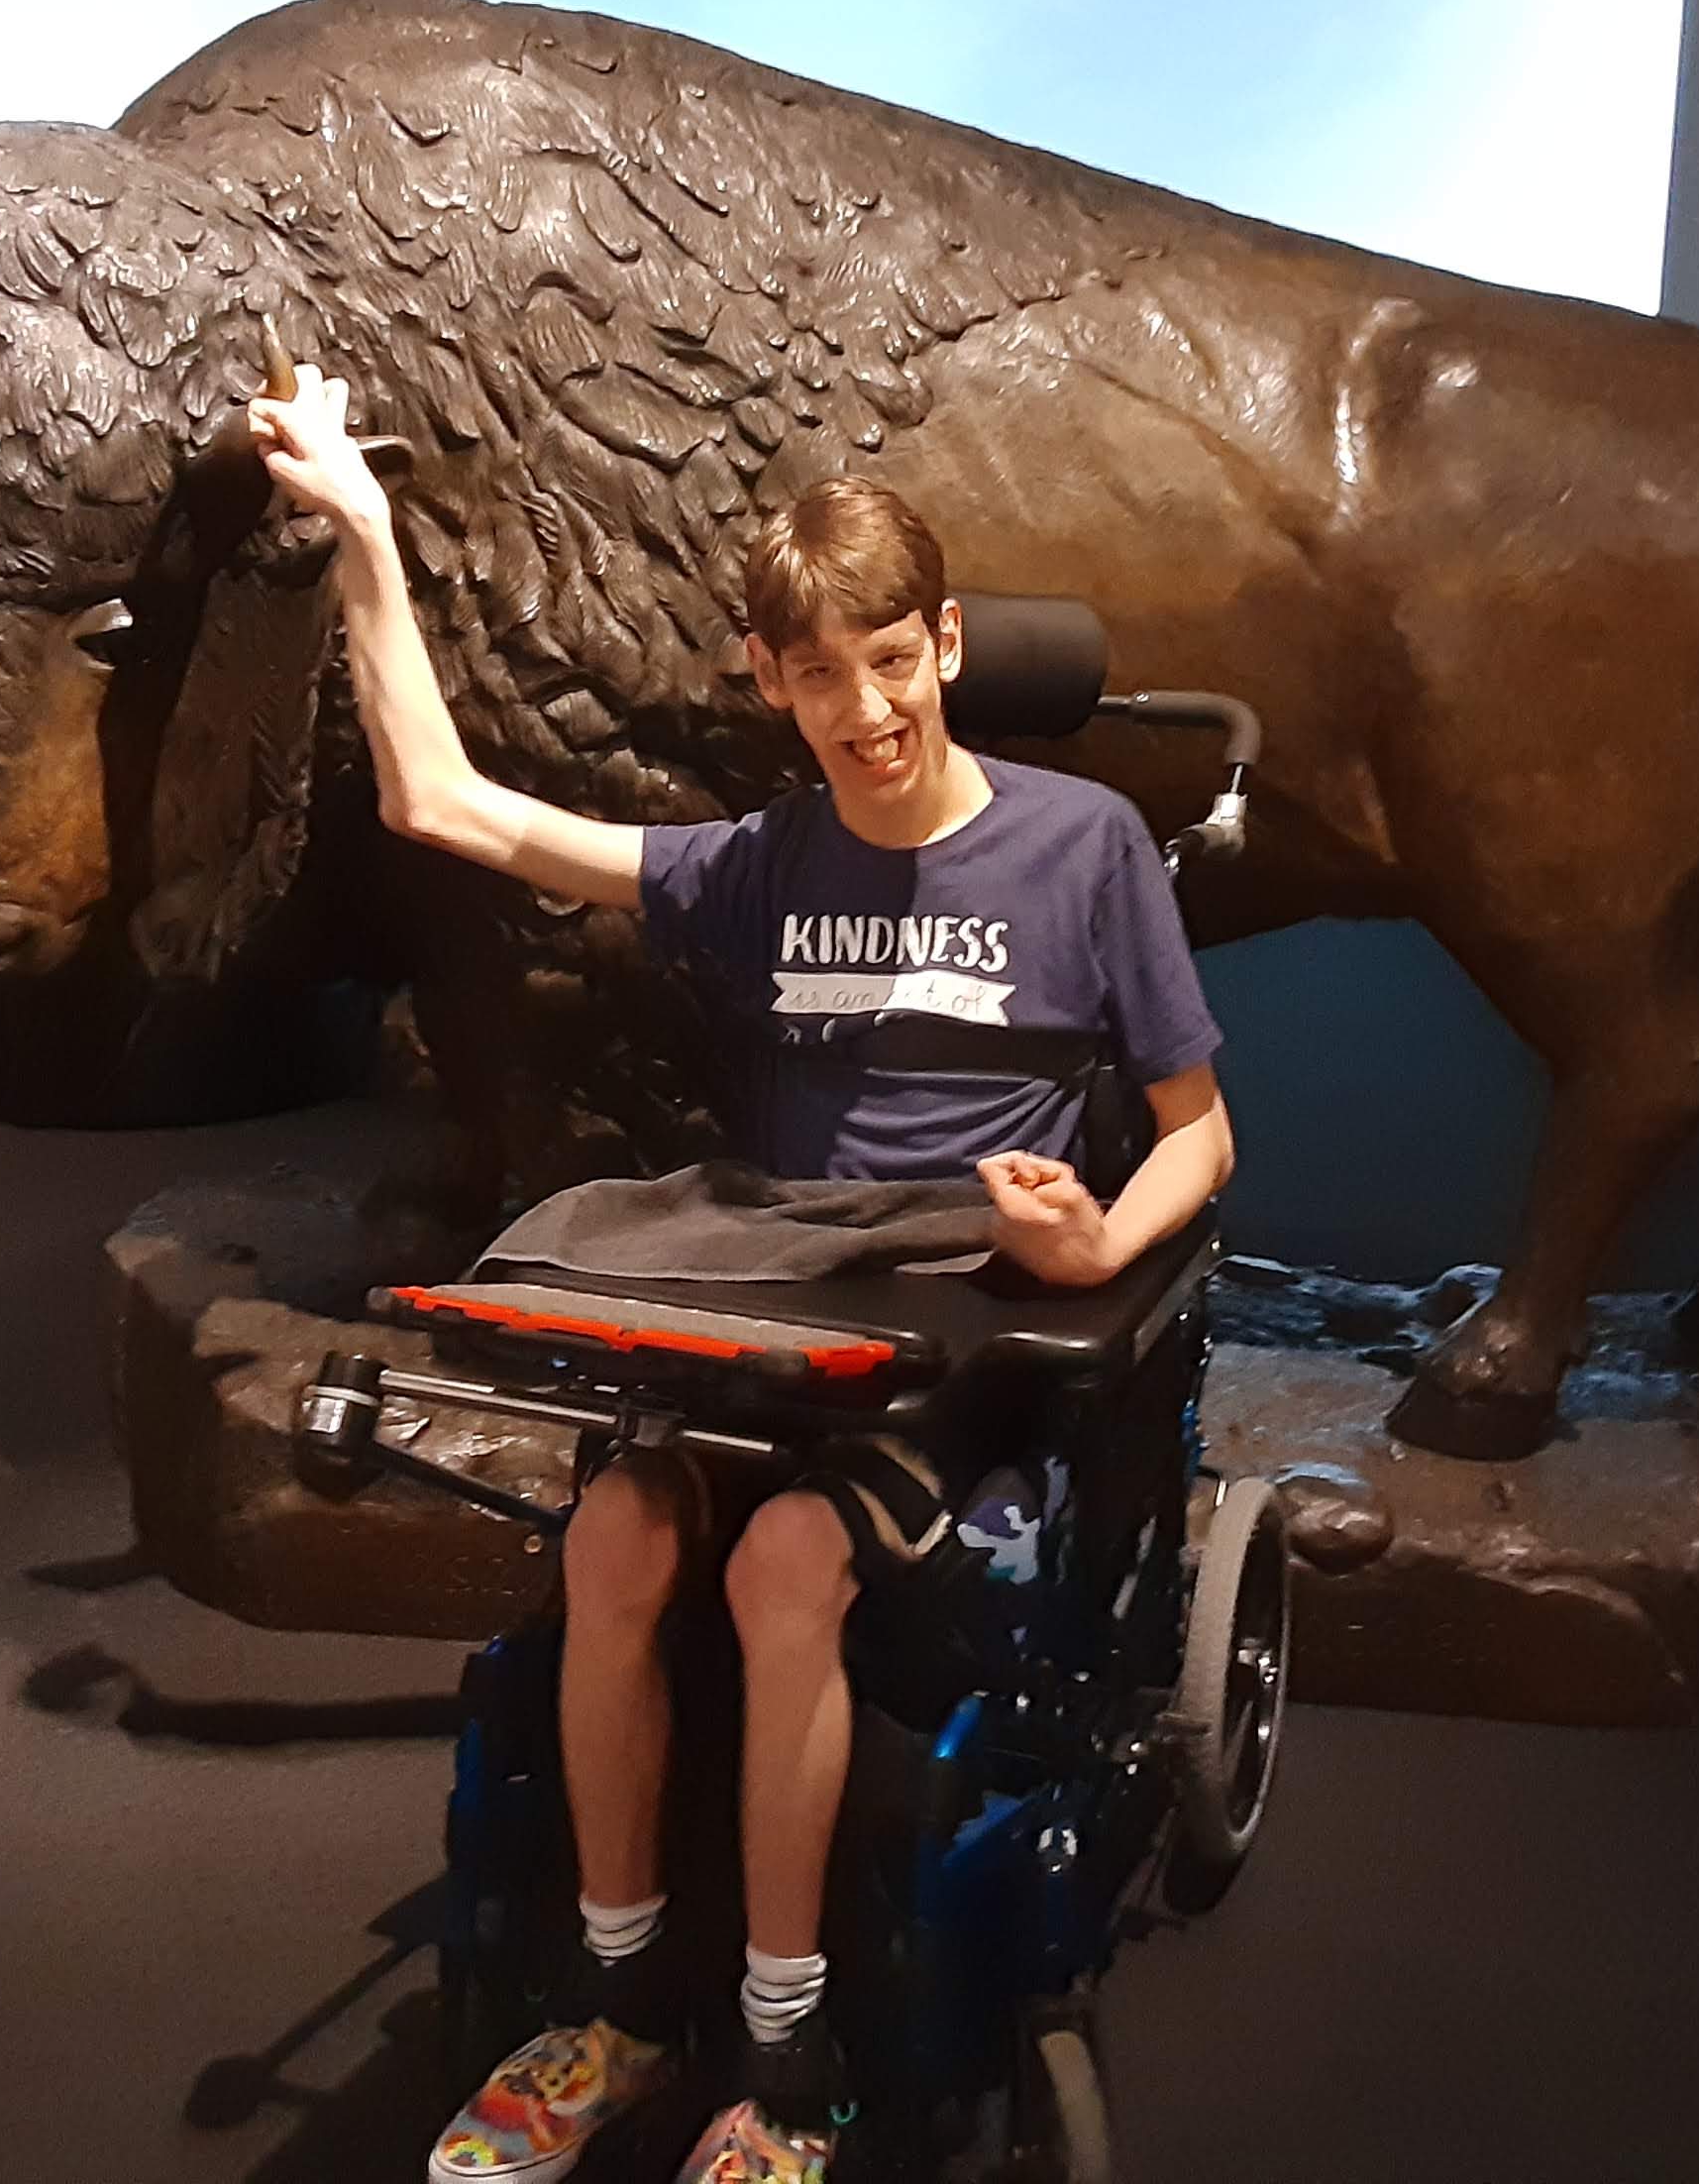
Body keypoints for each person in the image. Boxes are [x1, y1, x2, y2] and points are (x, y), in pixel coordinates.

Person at [253, 381, 1233, 2184]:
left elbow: (1199, 1131)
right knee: (615, 1541)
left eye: (889, 662)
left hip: (951, 1325)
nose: (861, 714)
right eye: (814, 679)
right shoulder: (759, 864)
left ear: (943, 644)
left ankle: (786, 2045)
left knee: (789, 1562)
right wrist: (364, 539)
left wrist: (1096, 1237)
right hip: (764, 1310)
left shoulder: (1085, 846)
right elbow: (439, 799)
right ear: (768, 683)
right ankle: (619, 2009)